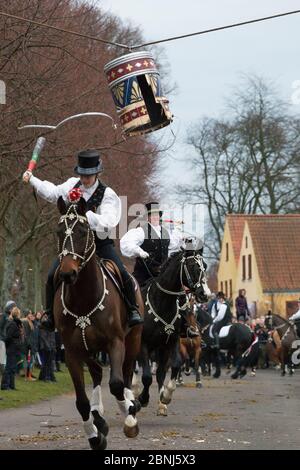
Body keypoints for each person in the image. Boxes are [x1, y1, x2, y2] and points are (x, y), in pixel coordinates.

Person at [23, 149, 143, 330]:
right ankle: (49, 315)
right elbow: (53, 193)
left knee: (122, 272)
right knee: (51, 275)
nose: (85, 179)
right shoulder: (72, 184)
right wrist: (32, 179)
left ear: (97, 173)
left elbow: (109, 222)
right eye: (82, 175)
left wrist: (86, 216)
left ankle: (132, 310)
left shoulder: (107, 194)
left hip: (99, 243)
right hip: (74, 245)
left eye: (89, 175)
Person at [120, 201, 183, 286]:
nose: (155, 217)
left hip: (162, 277)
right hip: (143, 277)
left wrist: (177, 229)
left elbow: (174, 245)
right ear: (148, 218)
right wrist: (139, 251)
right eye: (152, 215)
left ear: (160, 216)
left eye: (157, 215)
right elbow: (126, 243)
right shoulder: (141, 231)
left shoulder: (165, 233)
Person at [1, 306, 24, 390]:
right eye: (19, 314)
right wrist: (11, 345)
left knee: (13, 368)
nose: (20, 315)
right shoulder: (12, 324)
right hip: (11, 348)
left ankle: (11, 385)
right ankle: (4, 385)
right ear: (17, 314)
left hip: (15, 348)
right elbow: (8, 337)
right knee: (9, 367)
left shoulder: (17, 323)